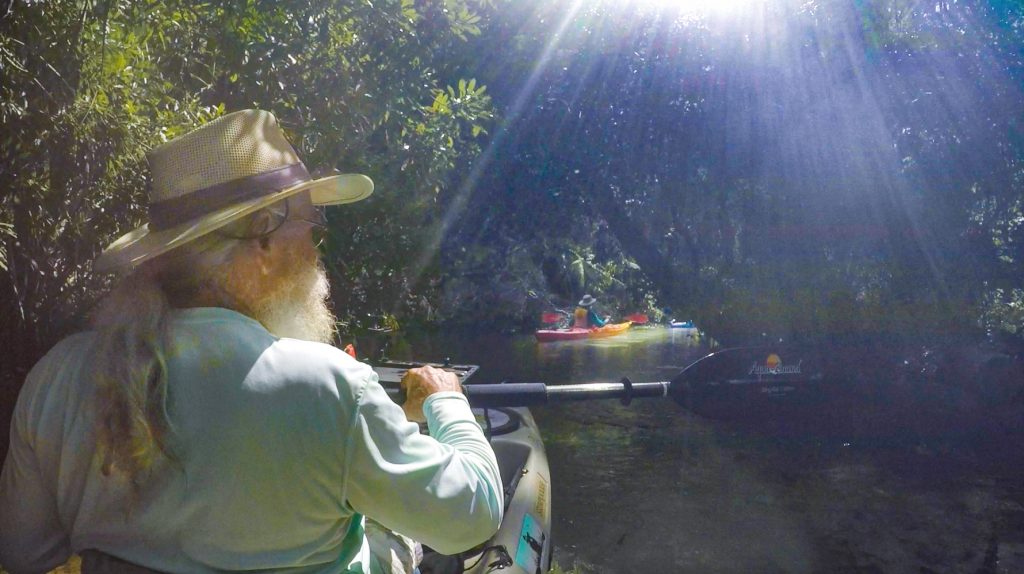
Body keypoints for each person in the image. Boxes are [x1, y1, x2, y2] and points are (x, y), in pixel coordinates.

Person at [0, 110, 502, 573]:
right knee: (388, 536)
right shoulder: (329, 388)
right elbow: (472, 516)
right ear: (263, 237)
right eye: (313, 228)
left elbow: (23, 554)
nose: (315, 249)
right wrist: (446, 402)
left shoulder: (56, 375)